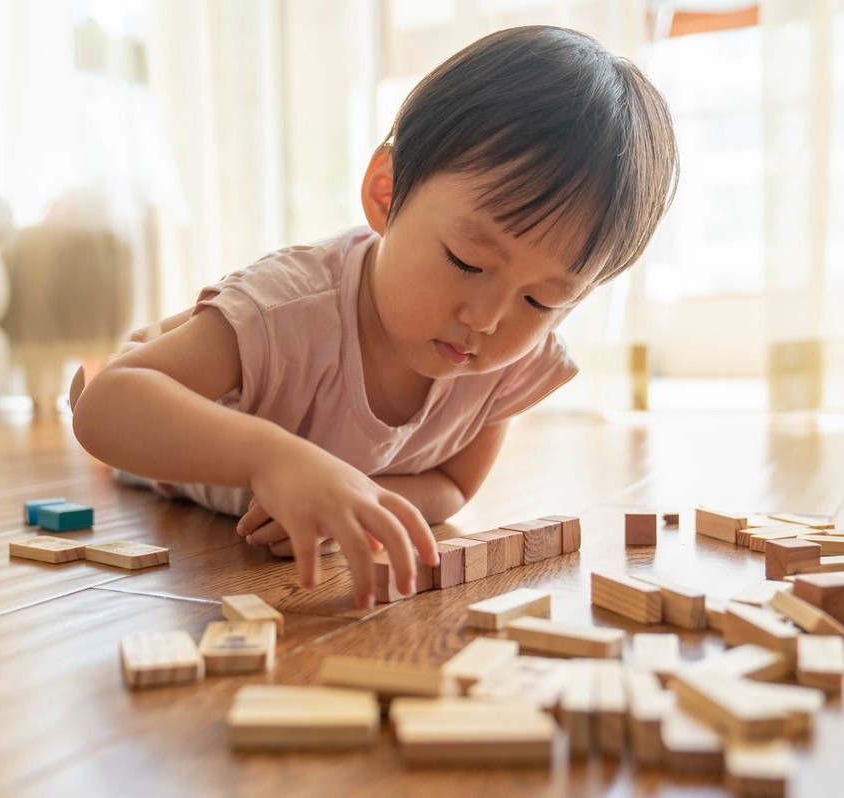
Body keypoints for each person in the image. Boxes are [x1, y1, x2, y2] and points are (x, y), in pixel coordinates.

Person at [71, 25, 679, 610]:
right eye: (466, 262)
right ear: (385, 195)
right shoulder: (290, 309)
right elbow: (105, 411)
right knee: (106, 381)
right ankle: (155, 342)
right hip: (164, 433)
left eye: (541, 301)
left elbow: (453, 486)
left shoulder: (512, 363)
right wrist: (274, 459)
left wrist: (354, 500)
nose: (487, 318)